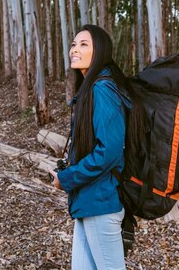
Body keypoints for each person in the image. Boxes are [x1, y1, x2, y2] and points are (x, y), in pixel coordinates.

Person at [50, 25, 145, 270]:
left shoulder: (102, 89)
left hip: (101, 203)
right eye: (73, 44)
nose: (74, 49)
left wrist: (67, 178)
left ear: (100, 51)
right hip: (88, 202)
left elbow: (110, 151)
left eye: (84, 44)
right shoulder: (93, 88)